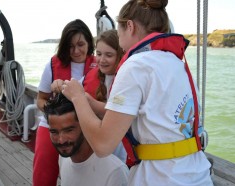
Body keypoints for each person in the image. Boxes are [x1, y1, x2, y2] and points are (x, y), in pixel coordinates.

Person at [61, 0, 214, 185]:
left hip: (160, 179)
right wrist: (89, 102)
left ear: (130, 27)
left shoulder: (136, 65)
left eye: (119, 35)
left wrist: (78, 97)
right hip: (198, 176)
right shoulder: (178, 64)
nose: (120, 45)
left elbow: (102, 145)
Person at [33, 19, 96, 186]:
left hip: (85, 126)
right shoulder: (52, 66)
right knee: (43, 173)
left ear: (89, 43)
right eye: (70, 46)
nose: (75, 51)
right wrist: (52, 111)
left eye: (80, 44)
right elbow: (41, 99)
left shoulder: (101, 65)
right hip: (52, 125)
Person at [43, 93, 129, 186]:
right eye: (54, 132)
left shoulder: (115, 172)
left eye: (69, 130)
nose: (61, 140)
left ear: (84, 126)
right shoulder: (64, 158)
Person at [82, 29, 127, 163]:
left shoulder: (126, 80)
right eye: (99, 54)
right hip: (104, 144)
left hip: (121, 148)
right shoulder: (97, 75)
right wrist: (60, 84)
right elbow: (75, 87)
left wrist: (88, 102)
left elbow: (118, 109)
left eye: (109, 55)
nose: (101, 60)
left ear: (120, 55)